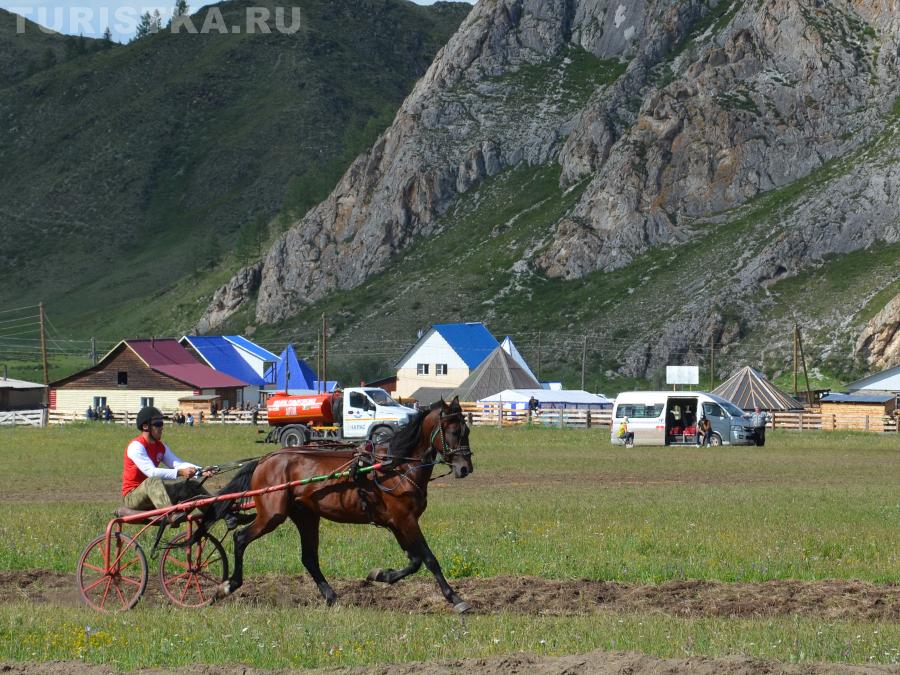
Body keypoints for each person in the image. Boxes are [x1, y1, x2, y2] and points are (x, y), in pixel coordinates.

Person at [121, 406, 215, 521]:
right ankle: (170, 516)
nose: (162, 427)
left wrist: (201, 470)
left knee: (192, 485)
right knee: (153, 480)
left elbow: (178, 464)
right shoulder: (136, 446)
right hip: (132, 497)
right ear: (145, 426)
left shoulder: (161, 447)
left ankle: (218, 511)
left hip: (155, 493)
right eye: (158, 424)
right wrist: (181, 473)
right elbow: (152, 472)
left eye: (162, 423)